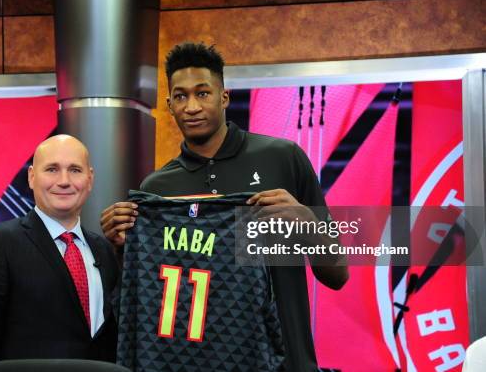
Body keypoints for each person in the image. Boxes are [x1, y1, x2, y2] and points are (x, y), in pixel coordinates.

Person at [100, 42, 348, 371]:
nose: (191, 106)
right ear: (169, 104)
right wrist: (120, 249)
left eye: (203, 93)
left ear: (224, 97)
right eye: (180, 96)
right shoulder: (157, 191)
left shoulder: (283, 159)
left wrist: (306, 222)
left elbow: (337, 273)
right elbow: (152, 296)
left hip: (289, 360)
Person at [0, 135, 119, 372]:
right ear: (32, 177)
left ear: (90, 179)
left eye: (75, 170)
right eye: (52, 169)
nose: (64, 181)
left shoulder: (103, 249)